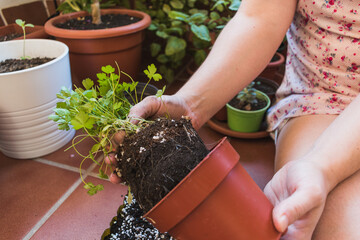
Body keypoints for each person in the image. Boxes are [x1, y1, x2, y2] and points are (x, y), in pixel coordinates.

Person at [106, 0, 360, 239]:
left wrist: (324, 167)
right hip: (323, 99)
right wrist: (191, 104)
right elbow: (261, 18)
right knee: (323, 222)